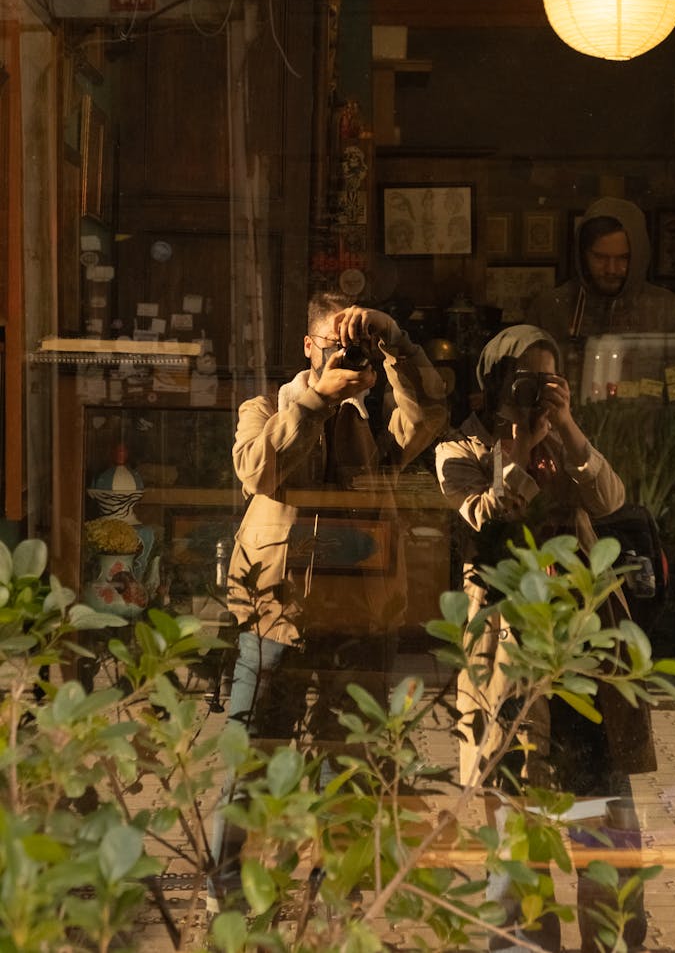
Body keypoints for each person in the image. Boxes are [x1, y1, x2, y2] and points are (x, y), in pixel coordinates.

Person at [208, 292, 447, 908]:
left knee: (348, 767)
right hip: (276, 615)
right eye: (335, 344)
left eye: (357, 347)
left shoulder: (376, 425)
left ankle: (332, 901)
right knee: (253, 758)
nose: (347, 356)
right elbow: (261, 472)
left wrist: (398, 343)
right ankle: (230, 899)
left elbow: (431, 414)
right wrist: (316, 400)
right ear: (308, 347)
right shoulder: (264, 408)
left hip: (361, 618)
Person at [434, 324, 656, 953]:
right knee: (516, 819)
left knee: (605, 817)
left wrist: (570, 430)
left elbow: (612, 499)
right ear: (495, 385)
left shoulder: (568, 439)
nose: (536, 391)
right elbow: (481, 516)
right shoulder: (462, 451)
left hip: (586, 651)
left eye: (548, 380)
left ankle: (611, 942)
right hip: (509, 655)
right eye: (524, 380)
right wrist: (522, 451)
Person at [526, 197, 675, 402]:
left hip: (643, 432)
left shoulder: (662, 308)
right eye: (600, 257)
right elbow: (530, 389)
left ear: (639, 256)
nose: (611, 269)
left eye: (623, 258)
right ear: (583, 254)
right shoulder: (550, 309)